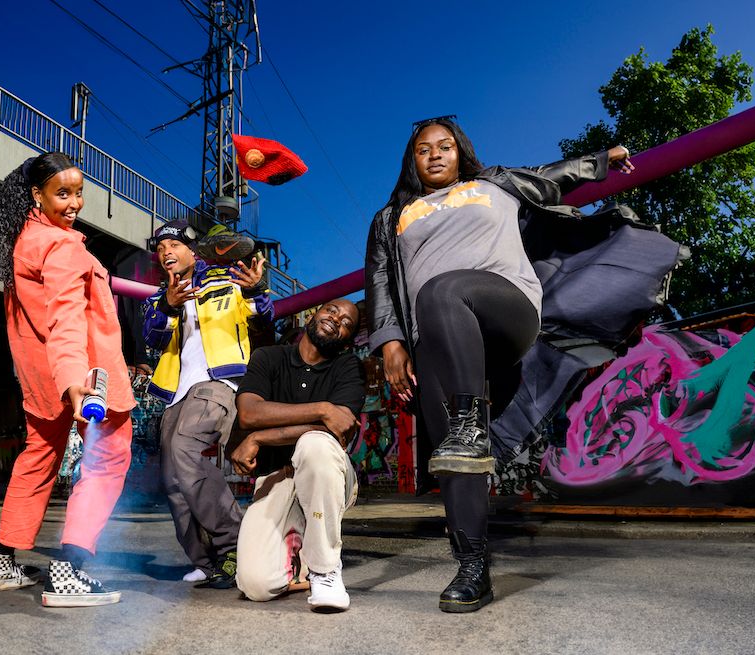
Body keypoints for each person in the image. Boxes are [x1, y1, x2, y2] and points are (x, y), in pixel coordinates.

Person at [365, 116, 634, 613]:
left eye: (445, 146)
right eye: (424, 150)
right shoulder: (392, 217)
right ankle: (472, 567)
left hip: (502, 309)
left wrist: (603, 159)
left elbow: (551, 174)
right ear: (413, 161)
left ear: (460, 151)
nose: (435, 155)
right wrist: (390, 343)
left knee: (444, 288)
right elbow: (381, 281)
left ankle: (470, 421)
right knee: (455, 462)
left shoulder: (494, 184)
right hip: (436, 339)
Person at [0, 151, 135, 608]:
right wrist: (73, 380)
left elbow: (28, 321)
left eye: (79, 191)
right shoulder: (63, 247)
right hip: (82, 374)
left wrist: (53, 378)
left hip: (40, 374)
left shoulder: (23, 238)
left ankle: (2, 560)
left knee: (39, 455)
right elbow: (66, 319)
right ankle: (68, 571)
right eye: (62, 193)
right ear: (37, 194)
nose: (74, 203)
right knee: (108, 459)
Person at [142, 221, 273, 588]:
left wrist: (258, 289)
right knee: (171, 479)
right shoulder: (159, 296)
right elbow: (151, 338)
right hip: (174, 393)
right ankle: (207, 561)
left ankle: (236, 543)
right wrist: (167, 305)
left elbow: (264, 317)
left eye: (174, 245)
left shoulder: (225, 281)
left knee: (185, 450)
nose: (166, 253)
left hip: (219, 383)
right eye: (160, 248)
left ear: (192, 250)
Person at [230, 299, 364, 613]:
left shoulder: (348, 367)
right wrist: (323, 410)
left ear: (348, 339)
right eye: (332, 310)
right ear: (313, 313)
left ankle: (325, 570)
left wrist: (261, 436)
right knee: (256, 585)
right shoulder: (269, 358)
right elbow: (249, 413)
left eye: (346, 321)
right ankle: (301, 559)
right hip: (278, 476)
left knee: (315, 444)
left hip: (328, 473)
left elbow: (337, 429)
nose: (336, 318)